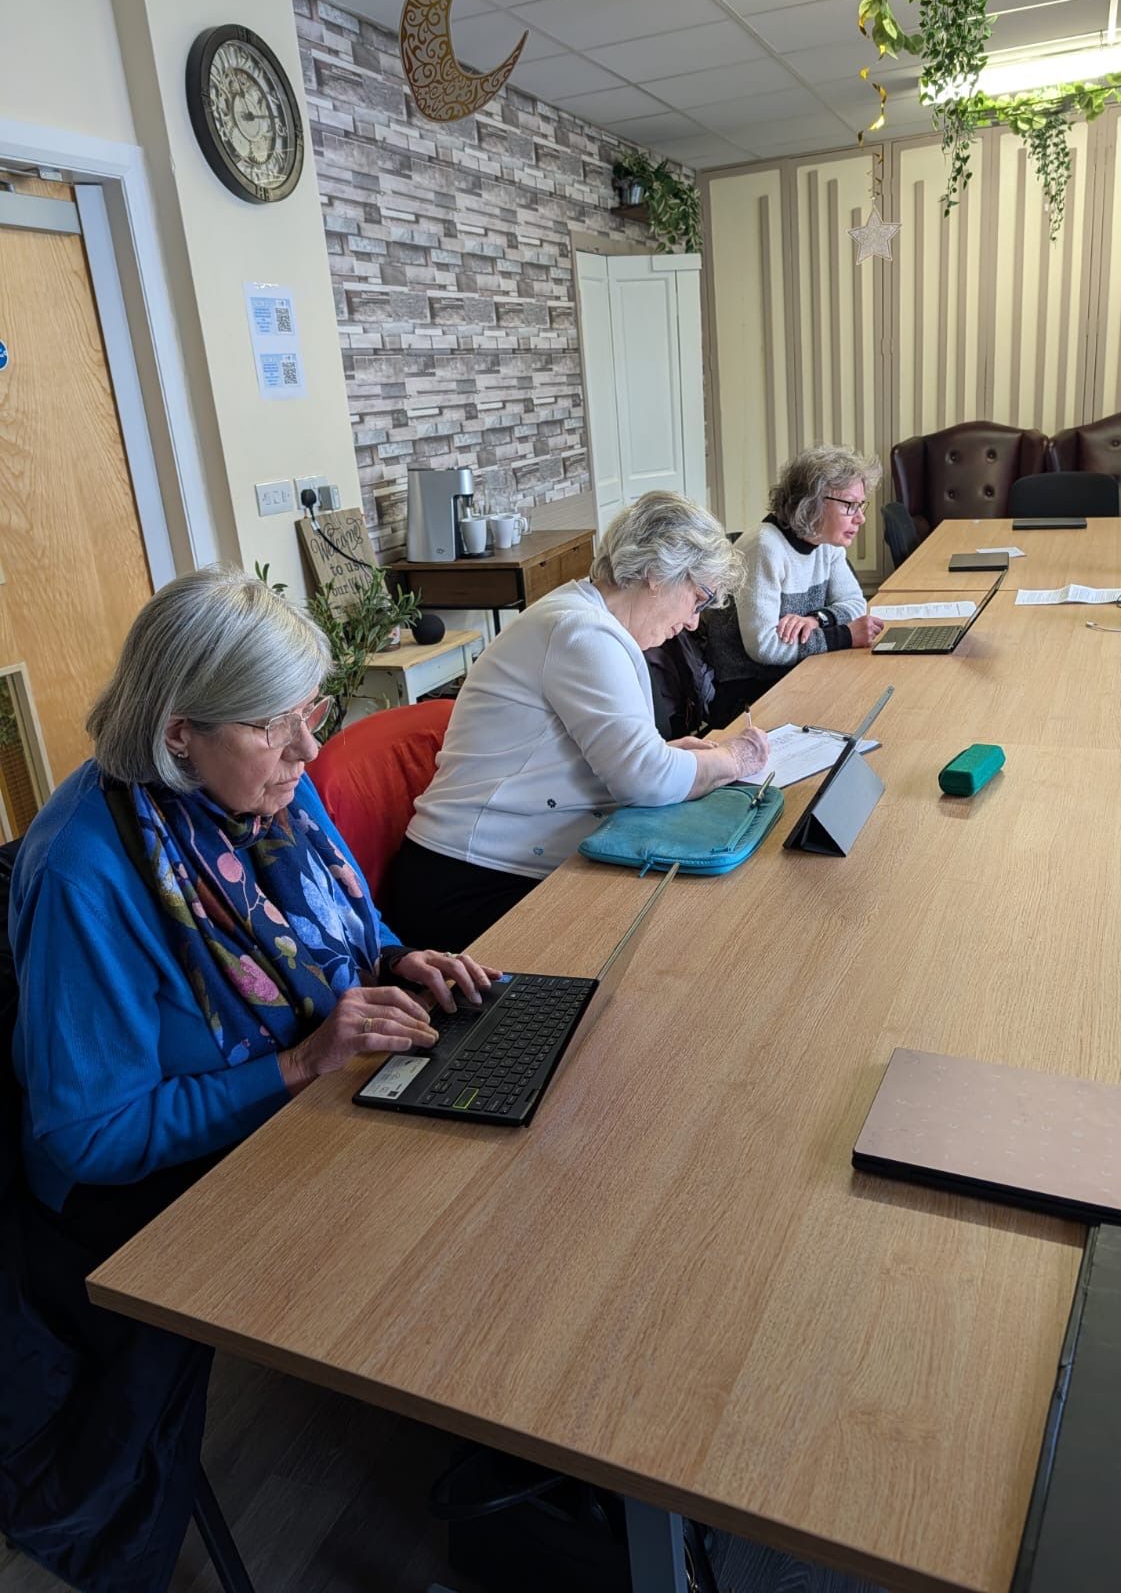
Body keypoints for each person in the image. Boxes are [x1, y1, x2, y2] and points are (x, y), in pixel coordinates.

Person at [2, 567, 496, 1591]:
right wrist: (298, 1062)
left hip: (289, 1102)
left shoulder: (260, 791)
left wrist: (400, 958)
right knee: (455, 1229)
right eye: (275, 726)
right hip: (141, 1193)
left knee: (494, 1157)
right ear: (179, 731)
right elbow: (80, 1138)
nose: (308, 749)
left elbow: (347, 924)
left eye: (308, 714)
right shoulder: (88, 872)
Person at [383, 491, 770, 950]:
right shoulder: (582, 631)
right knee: (677, 941)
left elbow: (619, 759)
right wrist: (735, 759)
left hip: (503, 866)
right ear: (654, 573)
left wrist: (664, 754)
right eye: (698, 599)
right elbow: (644, 782)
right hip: (469, 884)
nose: (692, 623)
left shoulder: (589, 620)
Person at [704, 446, 886, 726]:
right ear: (812, 502)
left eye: (861, 506)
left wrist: (817, 619)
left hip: (796, 674)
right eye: (850, 505)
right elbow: (765, 647)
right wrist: (845, 636)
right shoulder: (764, 547)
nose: (860, 518)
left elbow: (855, 605)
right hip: (750, 698)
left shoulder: (826, 543)